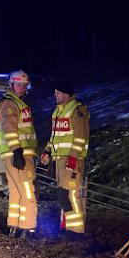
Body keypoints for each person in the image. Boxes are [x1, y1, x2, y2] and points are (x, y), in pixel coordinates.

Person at [41, 81, 90, 235]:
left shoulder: (76, 110)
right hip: (59, 160)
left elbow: (80, 137)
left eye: (58, 92)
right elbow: (54, 136)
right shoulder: (58, 111)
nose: (55, 94)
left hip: (71, 160)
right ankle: (67, 227)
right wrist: (47, 152)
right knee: (63, 195)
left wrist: (73, 158)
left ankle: (76, 231)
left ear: (66, 94)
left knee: (71, 195)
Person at [0, 70, 38, 238]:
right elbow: (9, 128)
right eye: (18, 85)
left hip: (16, 153)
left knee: (16, 192)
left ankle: (14, 227)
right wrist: (17, 152)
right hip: (19, 154)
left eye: (24, 85)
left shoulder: (16, 103)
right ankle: (28, 228)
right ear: (11, 85)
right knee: (28, 191)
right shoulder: (10, 103)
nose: (21, 88)